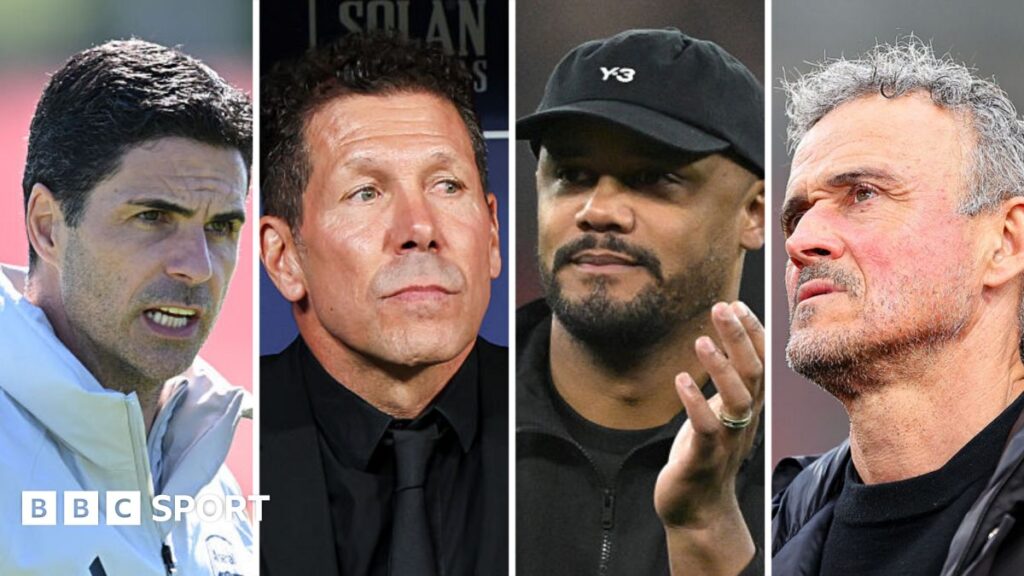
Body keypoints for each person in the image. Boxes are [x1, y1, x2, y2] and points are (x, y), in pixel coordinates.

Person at [516, 29, 766, 576]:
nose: (599, 210)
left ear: (755, 213)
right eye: (572, 175)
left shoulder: (809, 471)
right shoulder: (453, 415)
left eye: (654, 178)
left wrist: (708, 529)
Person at [0, 39, 253, 575]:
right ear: (47, 226)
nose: (198, 266)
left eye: (221, 226)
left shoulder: (207, 466)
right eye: (152, 218)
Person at [773, 38, 1024, 574]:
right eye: (796, 216)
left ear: (1005, 242)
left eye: (862, 194)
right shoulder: (765, 533)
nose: (801, 242)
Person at [259, 33, 507, 575]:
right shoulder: (208, 452)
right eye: (366, 193)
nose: (419, 229)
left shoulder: (552, 425)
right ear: (284, 258)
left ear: (492, 235)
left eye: (446, 185)